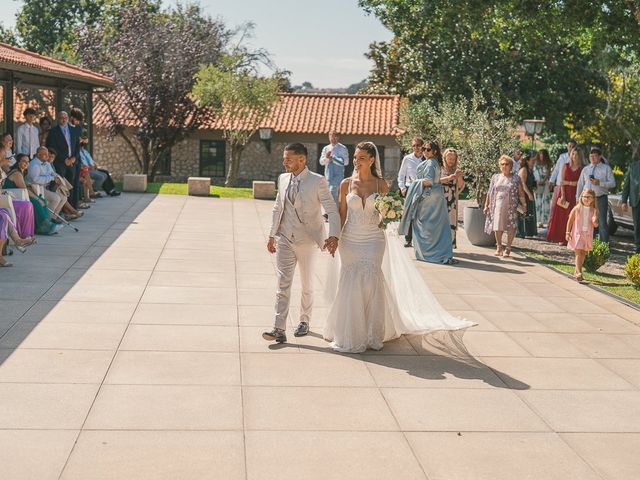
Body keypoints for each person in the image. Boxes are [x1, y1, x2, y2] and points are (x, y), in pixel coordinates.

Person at [323, 141, 475, 353]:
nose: (356, 162)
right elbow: (341, 214)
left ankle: (371, 333)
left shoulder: (381, 185)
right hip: (350, 238)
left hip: (374, 238)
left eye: (362, 158)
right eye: (355, 158)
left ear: (372, 159)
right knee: (351, 281)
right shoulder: (345, 184)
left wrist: (390, 212)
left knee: (371, 279)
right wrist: (334, 238)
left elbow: (386, 215)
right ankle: (350, 333)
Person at [262, 143, 340, 344]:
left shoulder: (317, 181)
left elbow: (331, 209)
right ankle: (279, 328)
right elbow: (278, 207)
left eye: (288, 158)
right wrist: (272, 235)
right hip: (285, 238)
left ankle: (304, 321)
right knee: (283, 283)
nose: (284, 162)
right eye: (284, 158)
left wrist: (334, 236)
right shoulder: (283, 178)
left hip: (307, 240)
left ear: (301, 159)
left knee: (306, 283)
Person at [399, 141, 457, 264]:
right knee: (435, 226)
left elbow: (429, 181)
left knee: (424, 225)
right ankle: (437, 251)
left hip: (429, 198)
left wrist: (415, 182)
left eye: (428, 149)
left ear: (434, 151)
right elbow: (436, 180)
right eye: (423, 148)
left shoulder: (430, 163)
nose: (424, 151)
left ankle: (428, 253)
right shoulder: (433, 162)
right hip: (436, 196)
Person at [5, 154, 60, 235]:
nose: (26, 163)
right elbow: (24, 190)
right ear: (18, 162)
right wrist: (37, 199)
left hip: (18, 195)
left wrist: (29, 186)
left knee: (43, 200)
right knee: (37, 202)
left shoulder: (20, 172)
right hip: (13, 196)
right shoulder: (17, 173)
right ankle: (43, 227)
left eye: (28, 161)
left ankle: (46, 224)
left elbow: (23, 186)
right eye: (24, 161)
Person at [484, 155, 526, 257]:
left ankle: (508, 247)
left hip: (511, 206)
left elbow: (520, 193)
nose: (504, 166)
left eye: (507, 164)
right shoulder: (495, 177)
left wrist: (524, 205)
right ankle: (499, 247)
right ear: (499, 166)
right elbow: (490, 192)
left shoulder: (516, 178)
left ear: (511, 166)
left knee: (511, 227)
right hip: (497, 206)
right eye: (502, 164)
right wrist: (486, 205)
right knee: (497, 226)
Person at [576, 146, 616, 243]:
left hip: (600, 198)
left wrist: (600, 183)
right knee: (586, 221)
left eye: (594, 156)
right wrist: (577, 198)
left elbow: (613, 183)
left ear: (600, 157)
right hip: (586, 199)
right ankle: (587, 243)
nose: (592, 158)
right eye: (591, 156)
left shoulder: (606, 168)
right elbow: (580, 184)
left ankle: (604, 246)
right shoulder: (585, 169)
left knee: (602, 222)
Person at [546, 148, 584, 244]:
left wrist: (569, 183)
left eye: (576, 154)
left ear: (579, 156)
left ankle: (570, 238)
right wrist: (563, 195)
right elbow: (562, 182)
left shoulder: (582, 169)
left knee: (572, 217)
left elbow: (580, 183)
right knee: (562, 216)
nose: (574, 156)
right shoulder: (565, 166)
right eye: (573, 154)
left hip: (575, 194)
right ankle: (560, 238)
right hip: (564, 193)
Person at [46, 111, 80, 208]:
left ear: (68, 118)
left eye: (65, 117)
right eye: (61, 117)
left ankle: (73, 208)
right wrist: (64, 159)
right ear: (57, 119)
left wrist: (74, 158)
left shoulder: (73, 130)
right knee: (62, 187)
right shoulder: (53, 132)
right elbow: (52, 147)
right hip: (60, 163)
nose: (63, 119)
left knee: (72, 185)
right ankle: (64, 210)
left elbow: (77, 146)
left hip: (72, 163)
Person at [1, 149, 35, 239]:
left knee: (28, 204)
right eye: (5, 157)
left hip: (5, 197)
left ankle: (25, 235)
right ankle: (21, 237)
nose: (8, 159)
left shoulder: (2, 170)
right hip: (4, 199)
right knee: (27, 205)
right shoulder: (14, 172)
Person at [397, 137, 425, 247]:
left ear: (422, 146)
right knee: (409, 214)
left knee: (421, 214)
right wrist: (402, 187)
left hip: (423, 189)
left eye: (418, 145)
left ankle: (420, 240)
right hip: (410, 188)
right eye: (414, 145)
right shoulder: (407, 158)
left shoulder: (426, 159)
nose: (416, 148)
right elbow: (401, 175)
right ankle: (408, 239)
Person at [566, 189, 598, 282]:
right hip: (577, 234)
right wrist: (567, 232)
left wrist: (594, 220)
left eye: (589, 197)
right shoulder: (577, 208)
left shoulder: (594, 210)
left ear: (593, 199)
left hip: (587, 235)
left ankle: (576, 271)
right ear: (581, 197)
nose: (587, 199)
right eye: (585, 197)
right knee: (578, 253)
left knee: (583, 253)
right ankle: (579, 272)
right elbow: (570, 221)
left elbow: (595, 224)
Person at [28, 146, 66, 217]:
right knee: (56, 198)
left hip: (45, 187)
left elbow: (52, 173)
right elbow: (35, 180)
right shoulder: (34, 164)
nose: (47, 157)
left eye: (48, 154)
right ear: (39, 155)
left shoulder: (46, 163)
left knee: (64, 198)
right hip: (36, 189)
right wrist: (51, 178)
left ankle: (53, 217)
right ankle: (46, 219)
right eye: (45, 155)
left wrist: (57, 177)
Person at [441, 148, 464, 248]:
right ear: (444, 158)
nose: (451, 161)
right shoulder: (439, 168)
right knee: (440, 222)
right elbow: (435, 181)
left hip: (452, 201)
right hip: (440, 199)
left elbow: (460, 186)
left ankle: (449, 246)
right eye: (449, 158)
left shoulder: (457, 170)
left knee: (451, 222)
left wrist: (458, 176)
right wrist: (448, 178)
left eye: (453, 159)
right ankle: (439, 245)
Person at [319, 130, 349, 206]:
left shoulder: (343, 148)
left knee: (333, 193)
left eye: (334, 136)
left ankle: (334, 213)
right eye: (331, 136)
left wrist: (333, 158)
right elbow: (321, 162)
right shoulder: (326, 148)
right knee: (329, 195)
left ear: (338, 137)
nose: (332, 138)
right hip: (328, 177)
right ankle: (331, 213)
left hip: (338, 177)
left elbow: (345, 162)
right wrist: (327, 158)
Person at [621, 158, 640, 253]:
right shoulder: (633, 166)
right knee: (637, 225)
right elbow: (626, 185)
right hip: (636, 200)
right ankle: (638, 247)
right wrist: (624, 201)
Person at [517, 153, 537, 238]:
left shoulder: (530, 170)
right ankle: (521, 231)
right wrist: (529, 194)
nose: (534, 162)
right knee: (523, 212)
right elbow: (522, 184)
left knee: (530, 212)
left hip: (529, 192)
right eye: (532, 160)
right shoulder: (524, 170)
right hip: (523, 194)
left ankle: (529, 231)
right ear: (527, 161)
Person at [533, 149, 553, 227]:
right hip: (537, 183)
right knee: (537, 202)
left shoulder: (548, 163)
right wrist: (537, 181)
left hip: (545, 184)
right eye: (540, 154)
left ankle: (545, 221)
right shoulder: (535, 162)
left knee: (546, 201)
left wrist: (543, 181)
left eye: (543, 154)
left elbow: (548, 173)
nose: (541, 155)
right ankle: (538, 221)